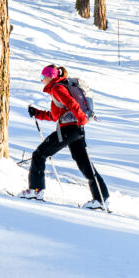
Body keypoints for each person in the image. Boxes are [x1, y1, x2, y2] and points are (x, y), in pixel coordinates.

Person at [20, 64, 110, 210]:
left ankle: (35, 190)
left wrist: (82, 119)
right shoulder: (60, 88)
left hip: (69, 129)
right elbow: (56, 115)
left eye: (43, 77)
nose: (42, 80)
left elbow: (71, 103)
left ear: (50, 77)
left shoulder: (57, 89)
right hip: (76, 129)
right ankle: (101, 198)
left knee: (39, 154)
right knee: (84, 163)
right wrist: (37, 113)